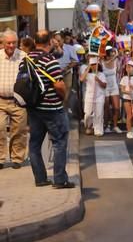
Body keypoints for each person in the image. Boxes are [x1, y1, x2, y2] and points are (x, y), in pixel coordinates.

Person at [24, 30, 75, 188]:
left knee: (34, 144)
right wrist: (63, 96)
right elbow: (59, 84)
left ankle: (40, 179)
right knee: (59, 142)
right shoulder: (49, 60)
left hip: (34, 109)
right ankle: (60, 180)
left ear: (34, 41)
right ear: (50, 42)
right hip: (52, 109)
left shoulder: (26, 60)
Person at [0, 29, 27, 169]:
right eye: (8, 43)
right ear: (3, 43)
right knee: (0, 128)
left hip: (18, 101)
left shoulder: (23, 56)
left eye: (14, 42)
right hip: (1, 100)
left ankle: (17, 158)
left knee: (19, 130)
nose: (11, 45)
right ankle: (0, 158)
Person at [80, 57, 106, 136]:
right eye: (92, 64)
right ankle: (89, 126)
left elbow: (104, 85)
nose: (94, 66)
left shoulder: (101, 74)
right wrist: (88, 68)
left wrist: (98, 80)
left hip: (99, 97)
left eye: (95, 64)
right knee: (88, 114)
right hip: (89, 96)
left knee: (98, 114)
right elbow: (81, 79)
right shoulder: (88, 74)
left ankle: (98, 129)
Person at [102, 47, 121, 133]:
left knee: (116, 107)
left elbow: (119, 71)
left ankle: (115, 125)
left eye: (114, 52)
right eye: (111, 52)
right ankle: (106, 125)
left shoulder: (116, 62)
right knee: (106, 108)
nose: (113, 54)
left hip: (114, 87)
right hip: (105, 87)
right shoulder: (102, 63)